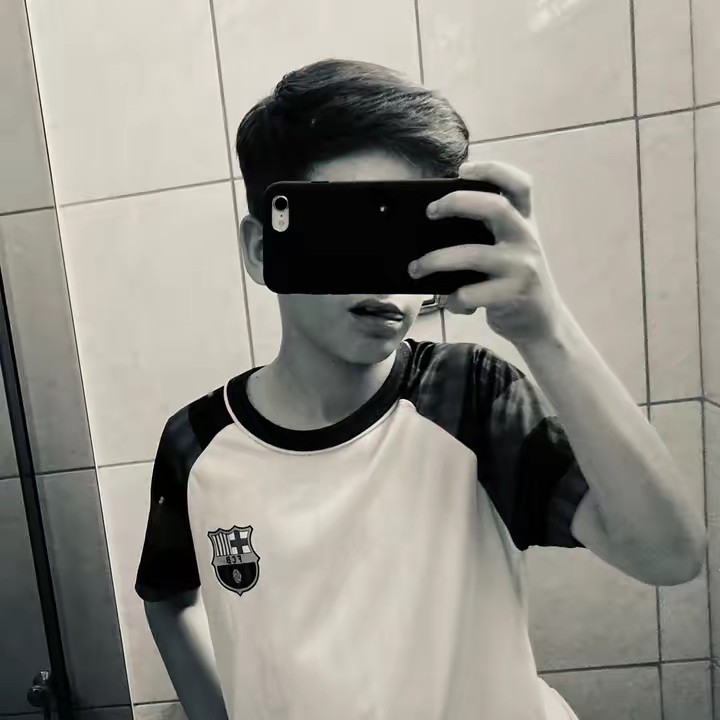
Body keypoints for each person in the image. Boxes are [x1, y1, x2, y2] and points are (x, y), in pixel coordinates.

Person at [135, 59, 706, 720]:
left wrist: (545, 328)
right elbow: (168, 599)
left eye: (404, 231)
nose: (383, 278)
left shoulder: (465, 396)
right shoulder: (198, 443)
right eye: (348, 230)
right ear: (262, 250)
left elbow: (669, 555)